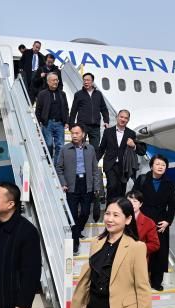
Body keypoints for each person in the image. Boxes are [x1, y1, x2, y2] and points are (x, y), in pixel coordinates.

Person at [56, 124, 103, 255]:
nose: (74, 135)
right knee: (72, 214)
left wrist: (96, 186)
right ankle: (75, 243)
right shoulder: (65, 149)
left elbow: (95, 170)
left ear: (83, 134)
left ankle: (76, 231)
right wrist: (63, 183)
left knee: (85, 212)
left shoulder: (90, 149)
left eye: (77, 133)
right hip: (72, 185)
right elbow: (59, 168)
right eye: (72, 133)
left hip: (87, 183)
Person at [132, 154, 175, 291]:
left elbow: (172, 204)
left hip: (160, 222)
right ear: (151, 166)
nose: (160, 167)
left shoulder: (169, 183)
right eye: (157, 164)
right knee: (142, 250)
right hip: (143, 220)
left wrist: (168, 221)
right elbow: (133, 198)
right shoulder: (142, 179)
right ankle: (140, 280)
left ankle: (157, 281)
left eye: (163, 165)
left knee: (160, 251)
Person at [98, 109, 144, 201]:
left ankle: (120, 208)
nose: (123, 119)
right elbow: (102, 148)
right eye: (121, 117)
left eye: (125, 118)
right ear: (117, 117)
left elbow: (141, 151)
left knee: (122, 189)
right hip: (110, 165)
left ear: (128, 120)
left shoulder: (131, 133)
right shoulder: (108, 132)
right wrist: (94, 161)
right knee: (112, 185)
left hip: (124, 166)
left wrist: (134, 146)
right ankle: (110, 206)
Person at [34, 72, 68, 166]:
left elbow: (66, 108)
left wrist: (66, 121)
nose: (56, 82)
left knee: (60, 146)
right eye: (53, 80)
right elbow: (38, 110)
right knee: (48, 144)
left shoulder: (62, 94)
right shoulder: (42, 94)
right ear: (48, 82)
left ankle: (56, 165)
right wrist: (38, 123)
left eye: (57, 80)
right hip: (47, 123)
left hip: (59, 123)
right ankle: (49, 161)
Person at [68, 73, 109, 147]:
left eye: (88, 80)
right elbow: (73, 111)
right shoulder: (78, 94)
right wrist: (71, 125)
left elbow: (104, 109)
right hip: (82, 125)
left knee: (95, 148)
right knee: (79, 146)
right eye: (84, 80)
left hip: (95, 126)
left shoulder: (98, 94)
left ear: (92, 81)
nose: (86, 82)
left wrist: (106, 121)